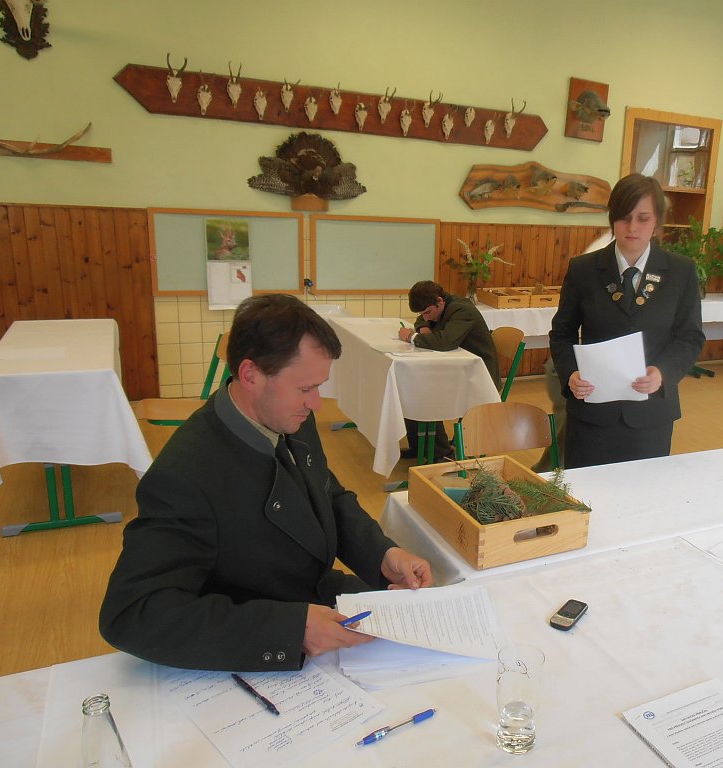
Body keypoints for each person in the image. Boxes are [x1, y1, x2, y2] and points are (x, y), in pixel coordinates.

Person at [100, 294, 433, 672]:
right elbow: (132, 613)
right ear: (250, 375)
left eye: (319, 386)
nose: (316, 403)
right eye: (306, 388)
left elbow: (326, 494)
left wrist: (382, 555)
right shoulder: (184, 475)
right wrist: (290, 630)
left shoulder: (287, 413)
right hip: (257, 628)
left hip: (315, 598)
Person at [548, 173, 705, 468]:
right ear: (612, 219)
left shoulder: (680, 271)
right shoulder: (584, 269)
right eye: (623, 218)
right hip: (592, 411)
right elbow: (561, 333)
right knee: (586, 489)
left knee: (644, 489)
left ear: (657, 222)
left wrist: (663, 372)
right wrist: (570, 373)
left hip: (651, 413)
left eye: (643, 218)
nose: (632, 228)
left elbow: (690, 336)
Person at [396, 280, 500, 460]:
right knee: (411, 385)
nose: (426, 317)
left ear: (440, 300)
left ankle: (441, 454)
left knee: (423, 391)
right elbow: (422, 320)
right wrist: (423, 326)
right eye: (422, 313)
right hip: (457, 368)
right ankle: (420, 446)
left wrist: (412, 337)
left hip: (479, 375)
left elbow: (445, 342)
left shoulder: (463, 310)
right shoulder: (442, 306)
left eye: (427, 312)